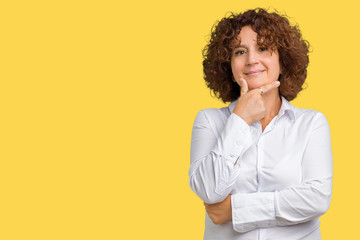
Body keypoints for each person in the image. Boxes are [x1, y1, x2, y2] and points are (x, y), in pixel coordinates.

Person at [189, 8, 333, 240]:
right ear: (229, 65)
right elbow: (209, 190)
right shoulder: (208, 121)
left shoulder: (311, 123)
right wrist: (240, 120)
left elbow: (317, 198)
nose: (252, 60)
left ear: (283, 60)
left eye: (263, 48)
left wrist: (235, 210)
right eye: (240, 51)